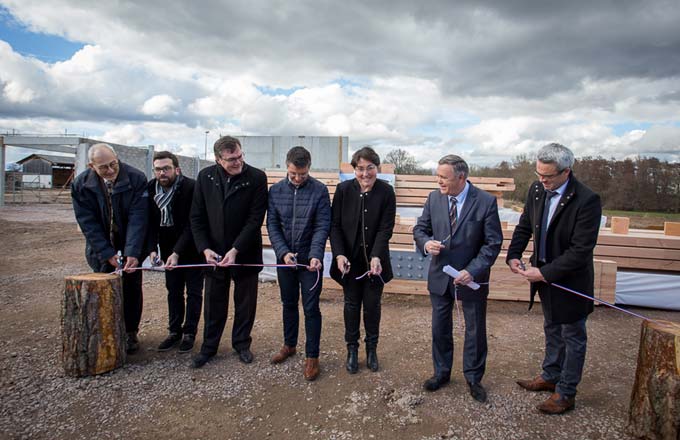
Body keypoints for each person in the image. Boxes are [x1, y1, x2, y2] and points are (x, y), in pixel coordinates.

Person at [506, 143, 602, 414]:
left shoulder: (587, 200)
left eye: (548, 176)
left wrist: (545, 273)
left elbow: (581, 251)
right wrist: (513, 254)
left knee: (572, 336)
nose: (542, 180)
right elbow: (525, 224)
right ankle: (550, 376)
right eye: (538, 174)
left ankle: (566, 393)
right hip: (543, 278)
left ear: (566, 171)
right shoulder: (537, 190)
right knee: (551, 327)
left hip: (571, 282)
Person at [413, 154, 502, 403]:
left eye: (444, 177)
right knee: (440, 328)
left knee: (474, 330)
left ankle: (473, 378)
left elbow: (492, 243)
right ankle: (441, 373)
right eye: (438, 176)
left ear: (461, 177)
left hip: (471, 278)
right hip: (440, 276)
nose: (438, 182)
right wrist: (426, 243)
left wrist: (472, 270)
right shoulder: (434, 198)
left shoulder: (485, 202)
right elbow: (421, 229)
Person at [190, 136, 268, 368]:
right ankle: (209, 347)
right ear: (217, 159)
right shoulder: (205, 178)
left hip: (245, 252)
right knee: (214, 302)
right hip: (213, 254)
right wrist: (204, 249)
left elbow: (255, 218)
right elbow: (197, 217)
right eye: (231, 159)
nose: (238, 162)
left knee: (245, 303)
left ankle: (242, 344)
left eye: (240, 156)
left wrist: (236, 249)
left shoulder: (256, 177)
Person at [71, 143, 148, 354]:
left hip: (128, 244)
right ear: (91, 166)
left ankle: (130, 332)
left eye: (113, 164)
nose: (111, 170)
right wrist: (106, 253)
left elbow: (138, 217)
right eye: (104, 167)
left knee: (132, 288)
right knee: (102, 289)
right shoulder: (81, 185)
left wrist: (132, 252)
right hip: (101, 248)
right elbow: (88, 223)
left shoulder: (135, 178)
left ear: (117, 158)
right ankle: (105, 333)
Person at [267, 146, 331, 381]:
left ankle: (312, 356)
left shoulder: (320, 191)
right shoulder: (275, 191)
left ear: (309, 169)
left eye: (302, 174)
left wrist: (315, 254)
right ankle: (289, 344)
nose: (297, 178)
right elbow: (272, 225)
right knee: (288, 302)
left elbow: (322, 225)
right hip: (285, 260)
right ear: (287, 166)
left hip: (310, 262)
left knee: (311, 307)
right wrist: (283, 252)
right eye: (293, 173)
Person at [330, 146, 396, 374]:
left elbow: (385, 228)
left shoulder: (386, 192)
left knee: (372, 306)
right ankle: (351, 349)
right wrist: (339, 254)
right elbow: (335, 226)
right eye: (360, 168)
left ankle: (371, 349)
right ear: (354, 169)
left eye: (370, 168)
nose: (365, 173)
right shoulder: (343, 190)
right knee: (350, 305)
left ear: (377, 168)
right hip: (349, 261)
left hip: (374, 262)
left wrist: (376, 256)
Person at [146, 151, 204, 353]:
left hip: (190, 247)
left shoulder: (190, 187)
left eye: (166, 168)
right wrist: (152, 249)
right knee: (174, 291)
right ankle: (174, 331)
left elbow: (192, 223)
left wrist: (177, 251)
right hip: (167, 247)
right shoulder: (150, 189)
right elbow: (150, 223)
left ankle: (190, 332)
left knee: (194, 292)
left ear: (176, 169)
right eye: (158, 169)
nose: (162, 173)